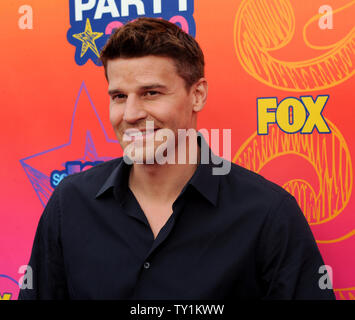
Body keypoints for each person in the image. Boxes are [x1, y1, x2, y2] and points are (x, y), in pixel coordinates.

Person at [19, 17, 335, 300]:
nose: (130, 114)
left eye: (151, 93)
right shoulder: (70, 203)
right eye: (119, 96)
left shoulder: (268, 212)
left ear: (197, 95)